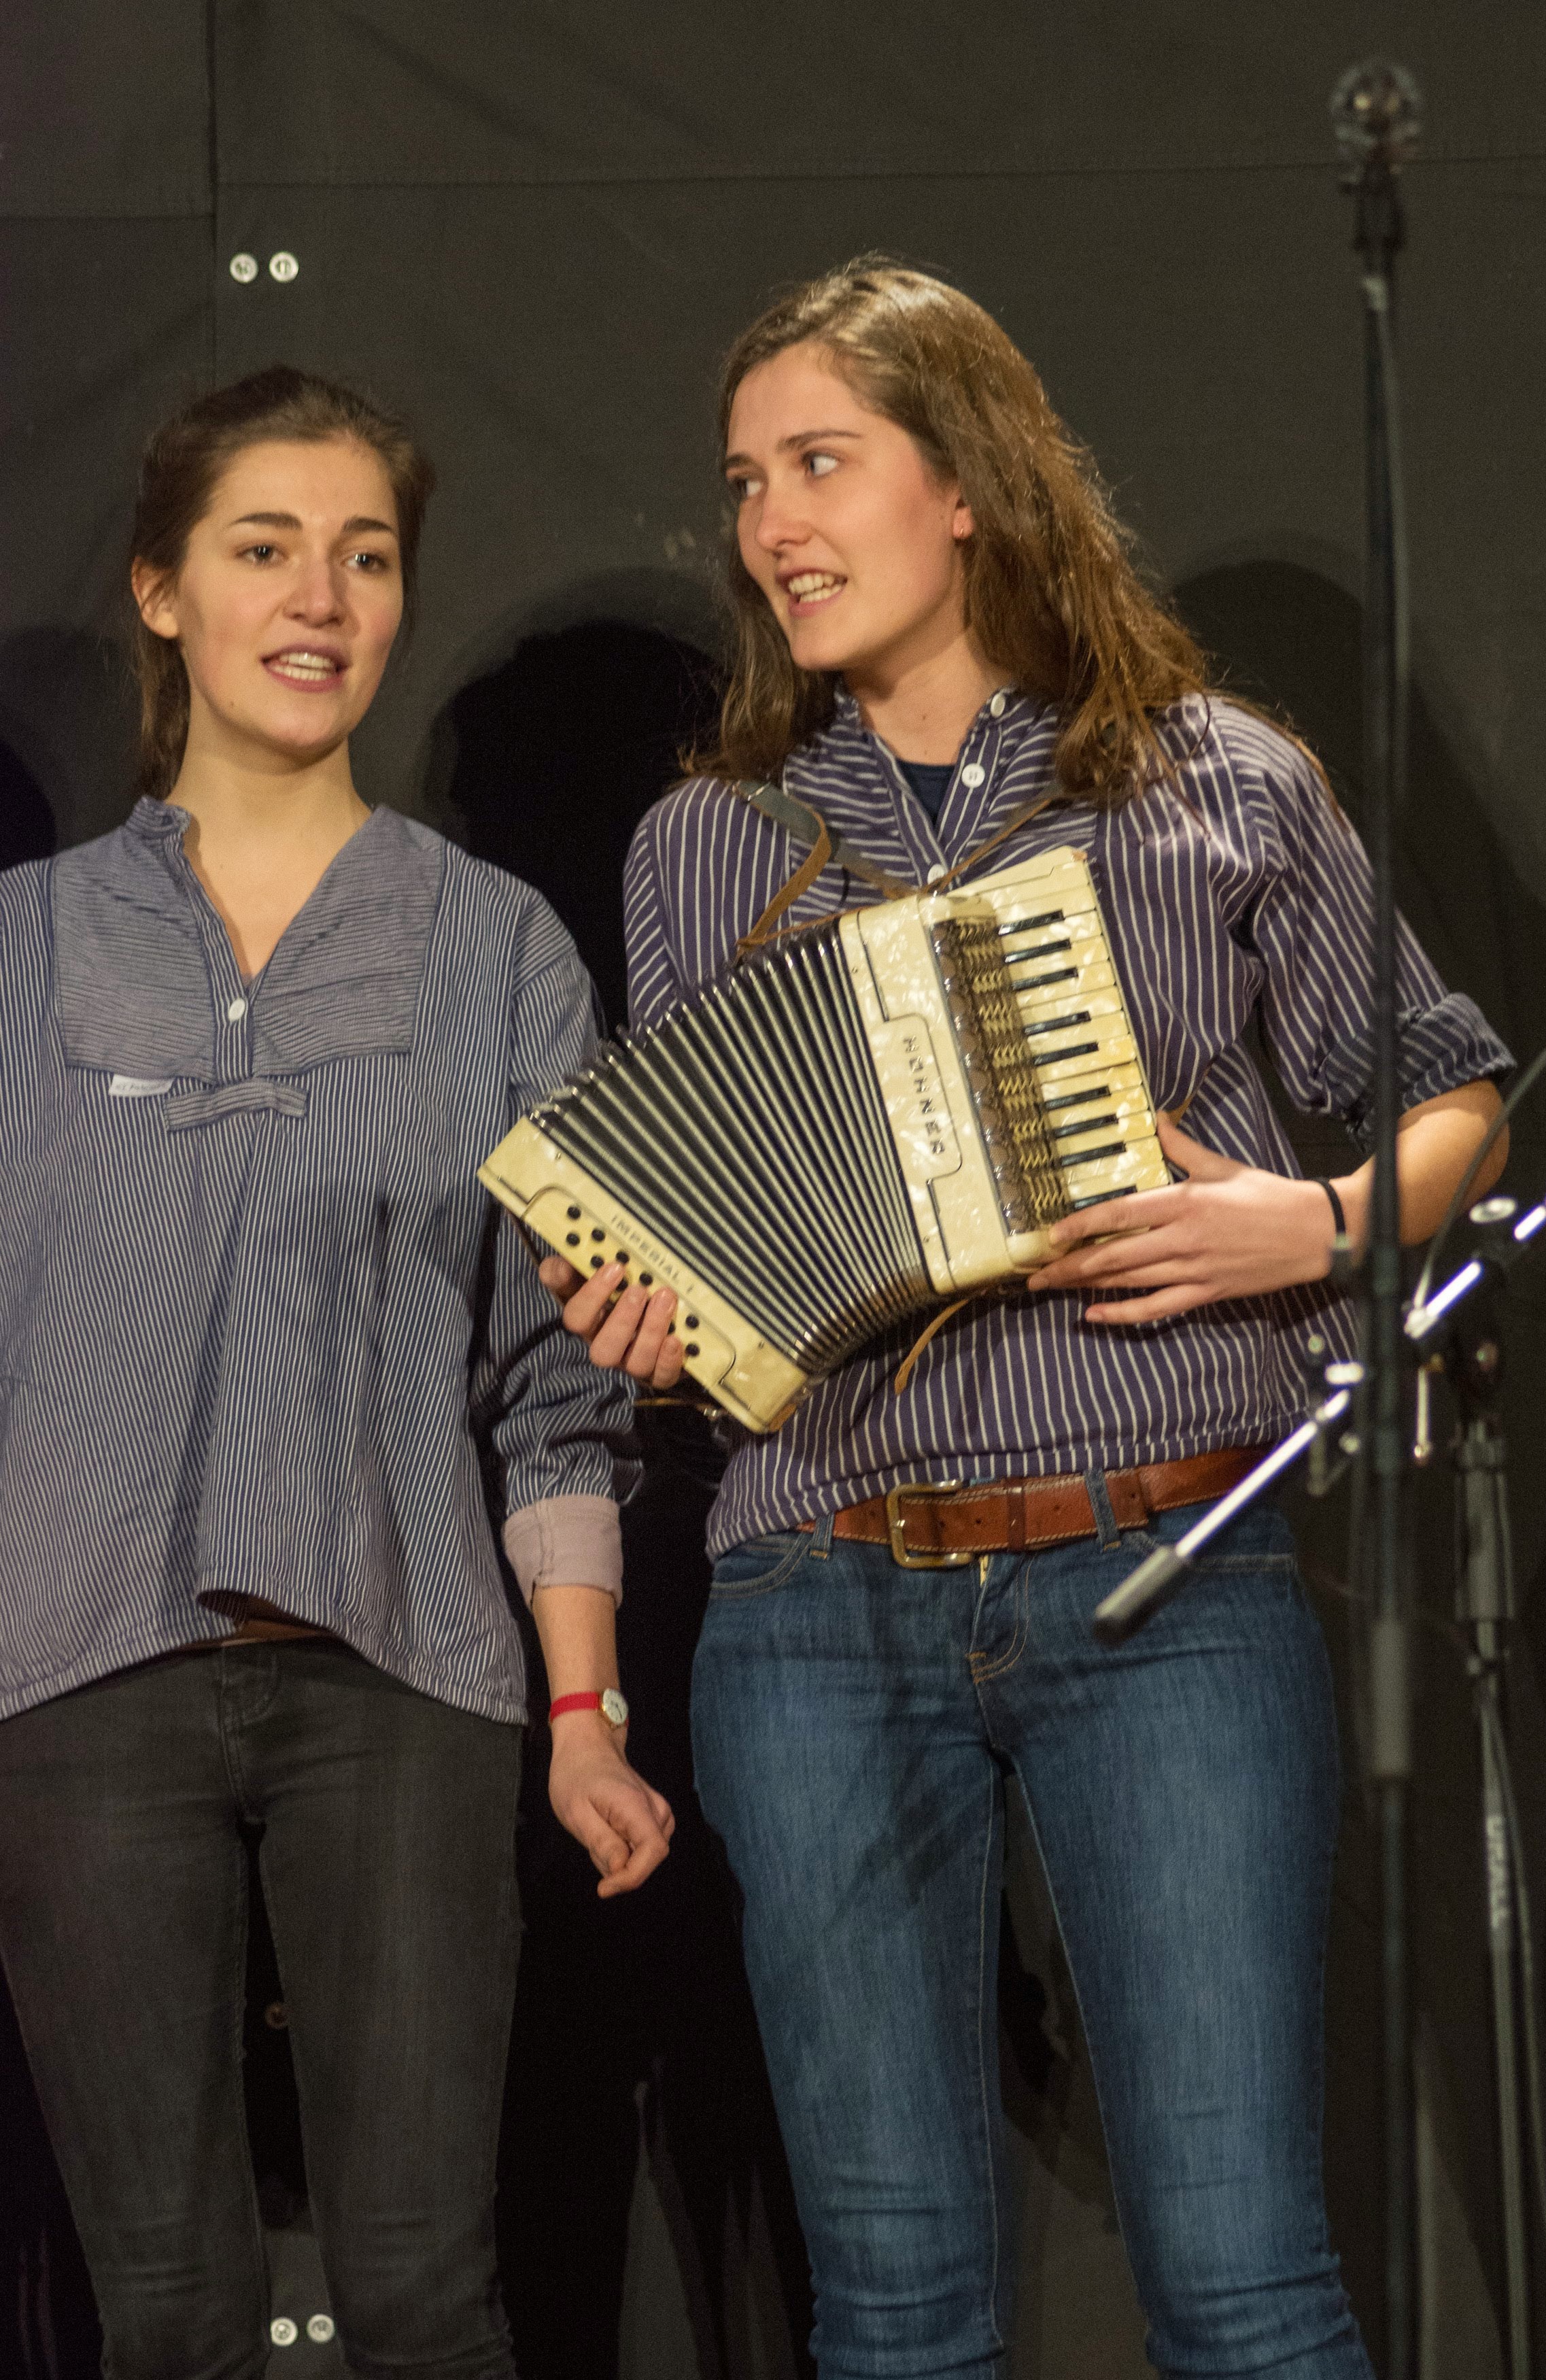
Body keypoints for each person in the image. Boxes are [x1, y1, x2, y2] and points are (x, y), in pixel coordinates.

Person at [545, 262, 1513, 2380]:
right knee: (894, 2314)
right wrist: (651, 1309)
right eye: (745, 483)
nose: (771, 525)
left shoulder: (1215, 777)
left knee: (1245, 2280)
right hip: (816, 1596)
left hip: (1162, 1559)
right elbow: (715, 1245)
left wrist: (1308, 1222)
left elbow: (1455, 1087)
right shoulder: (708, 841)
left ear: (966, 481)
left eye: (820, 464)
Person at [0, 367, 673, 2380]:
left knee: (423, 2299)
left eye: (366, 557)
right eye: (266, 548)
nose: (321, 598)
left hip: (407, 1681)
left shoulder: (496, 949)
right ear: (161, 589)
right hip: (74, 1687)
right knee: (168, 2314)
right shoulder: (27, 946)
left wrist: (584, 1716)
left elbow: (559, 1383)